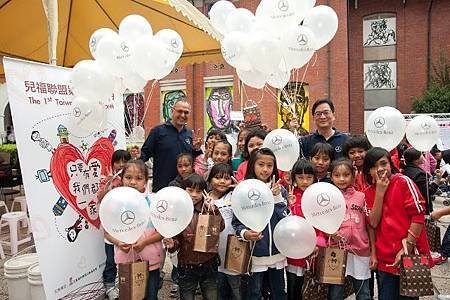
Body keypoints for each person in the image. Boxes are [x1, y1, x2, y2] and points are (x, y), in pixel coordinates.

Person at [363, 147, 431, 300]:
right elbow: (373, 223)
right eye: (374, 166)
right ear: (368, 171)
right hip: (384, 258)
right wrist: (380, 192)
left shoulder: (403, 181)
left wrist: (407, 247)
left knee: (409, 297)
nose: (380, 169)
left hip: (409, 255)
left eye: (383, 163)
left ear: (390, 164)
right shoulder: (368, 192)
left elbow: (418, 215)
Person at [233, 148, 288, 300]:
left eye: (269, 165)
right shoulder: (243, 189)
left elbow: (286, 219)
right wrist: (244, 233)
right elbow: (236, 222)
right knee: (254, 292)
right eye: (261, 164)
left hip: (277, 252)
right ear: (252, 165)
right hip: (254, 252)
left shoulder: (280, 189)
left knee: (279, 292)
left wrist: (277, 198)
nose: (265, 169)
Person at [107, 160, 164, 300]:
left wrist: (145, 242)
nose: (133, 182)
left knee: (151, 295)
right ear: (121, 179)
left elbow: (162, 232)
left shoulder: (154, 201)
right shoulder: (114, 203)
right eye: (128, 177)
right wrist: (119, 243)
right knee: (129, 296)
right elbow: (108, 233)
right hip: (126, 262)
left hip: (151, 262)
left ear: (146, 181)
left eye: (138, 178)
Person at [164, 174, 224, 300]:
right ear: (183, 190)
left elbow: (221, 227)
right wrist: (171, 245)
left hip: (209, 263)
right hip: (186, 265)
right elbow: (176, 240)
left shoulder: (208, 208)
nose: (194, 195)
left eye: (198, 191)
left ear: (204, 192)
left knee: (211, 295)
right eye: (190, 190)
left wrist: (213, 210)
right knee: (187, 295)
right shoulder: (177, 211)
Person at [328, 159, 374, 300]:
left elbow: (369, 224)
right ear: (331, 176)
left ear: (353, 175)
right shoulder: (327, 197)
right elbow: (320, 220)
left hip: (360, 250)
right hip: (336, 250)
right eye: (337, 175)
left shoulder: (361, 197)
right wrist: (329, 232)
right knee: (335, 292)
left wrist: (373, 250)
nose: (342, 179)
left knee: (363, 292)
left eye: (346, 175)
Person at [140, 99, 203, 192]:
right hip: (162, 188)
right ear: (172, 111)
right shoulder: (158, 131)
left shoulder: (190, 134)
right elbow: (145, 154)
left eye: (186, 112)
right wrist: (136, 157)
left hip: (185, 189)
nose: (182, 115)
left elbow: (194, 161)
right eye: (179, 111)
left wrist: (197, 149)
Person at [97, 150, 131, 300]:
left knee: (127, 257)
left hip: (128, 226)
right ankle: (110, 286)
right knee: (111, 259)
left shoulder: (130, 180)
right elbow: (100, 198)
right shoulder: (107, 180)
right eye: (117, 162)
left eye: (125, 161)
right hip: (111, 228)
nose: (121, 165)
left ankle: (126, 283)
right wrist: (108, 184)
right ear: (112, 164)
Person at [207, 163, 241, 300]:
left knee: (237, 291)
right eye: (217, 177)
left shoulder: (234, 196)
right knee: (219, 291)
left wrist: (240, 189)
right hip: (214, 254)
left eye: (226, 178)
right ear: (210, 180)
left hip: (234, 252)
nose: (222, 181)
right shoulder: (205, 197)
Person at [285, 159, 317, 300]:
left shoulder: (318, 196)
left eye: (309, 177)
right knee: (293, 285)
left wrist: (319, 242)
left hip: (313, 250)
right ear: (294, 178)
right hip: (294, 251)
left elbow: (321, 222)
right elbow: (286, 222)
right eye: (300, 177)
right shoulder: (290, 196)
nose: (305, 181)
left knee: (311, 287)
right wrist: (289, 205)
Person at [402, 148, 442, 214]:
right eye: (421, 155)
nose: (423, 156)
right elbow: (429, 192)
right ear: (415, 160)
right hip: (421, 207)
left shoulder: (405, 170)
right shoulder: (420, 174)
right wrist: (438, 179)